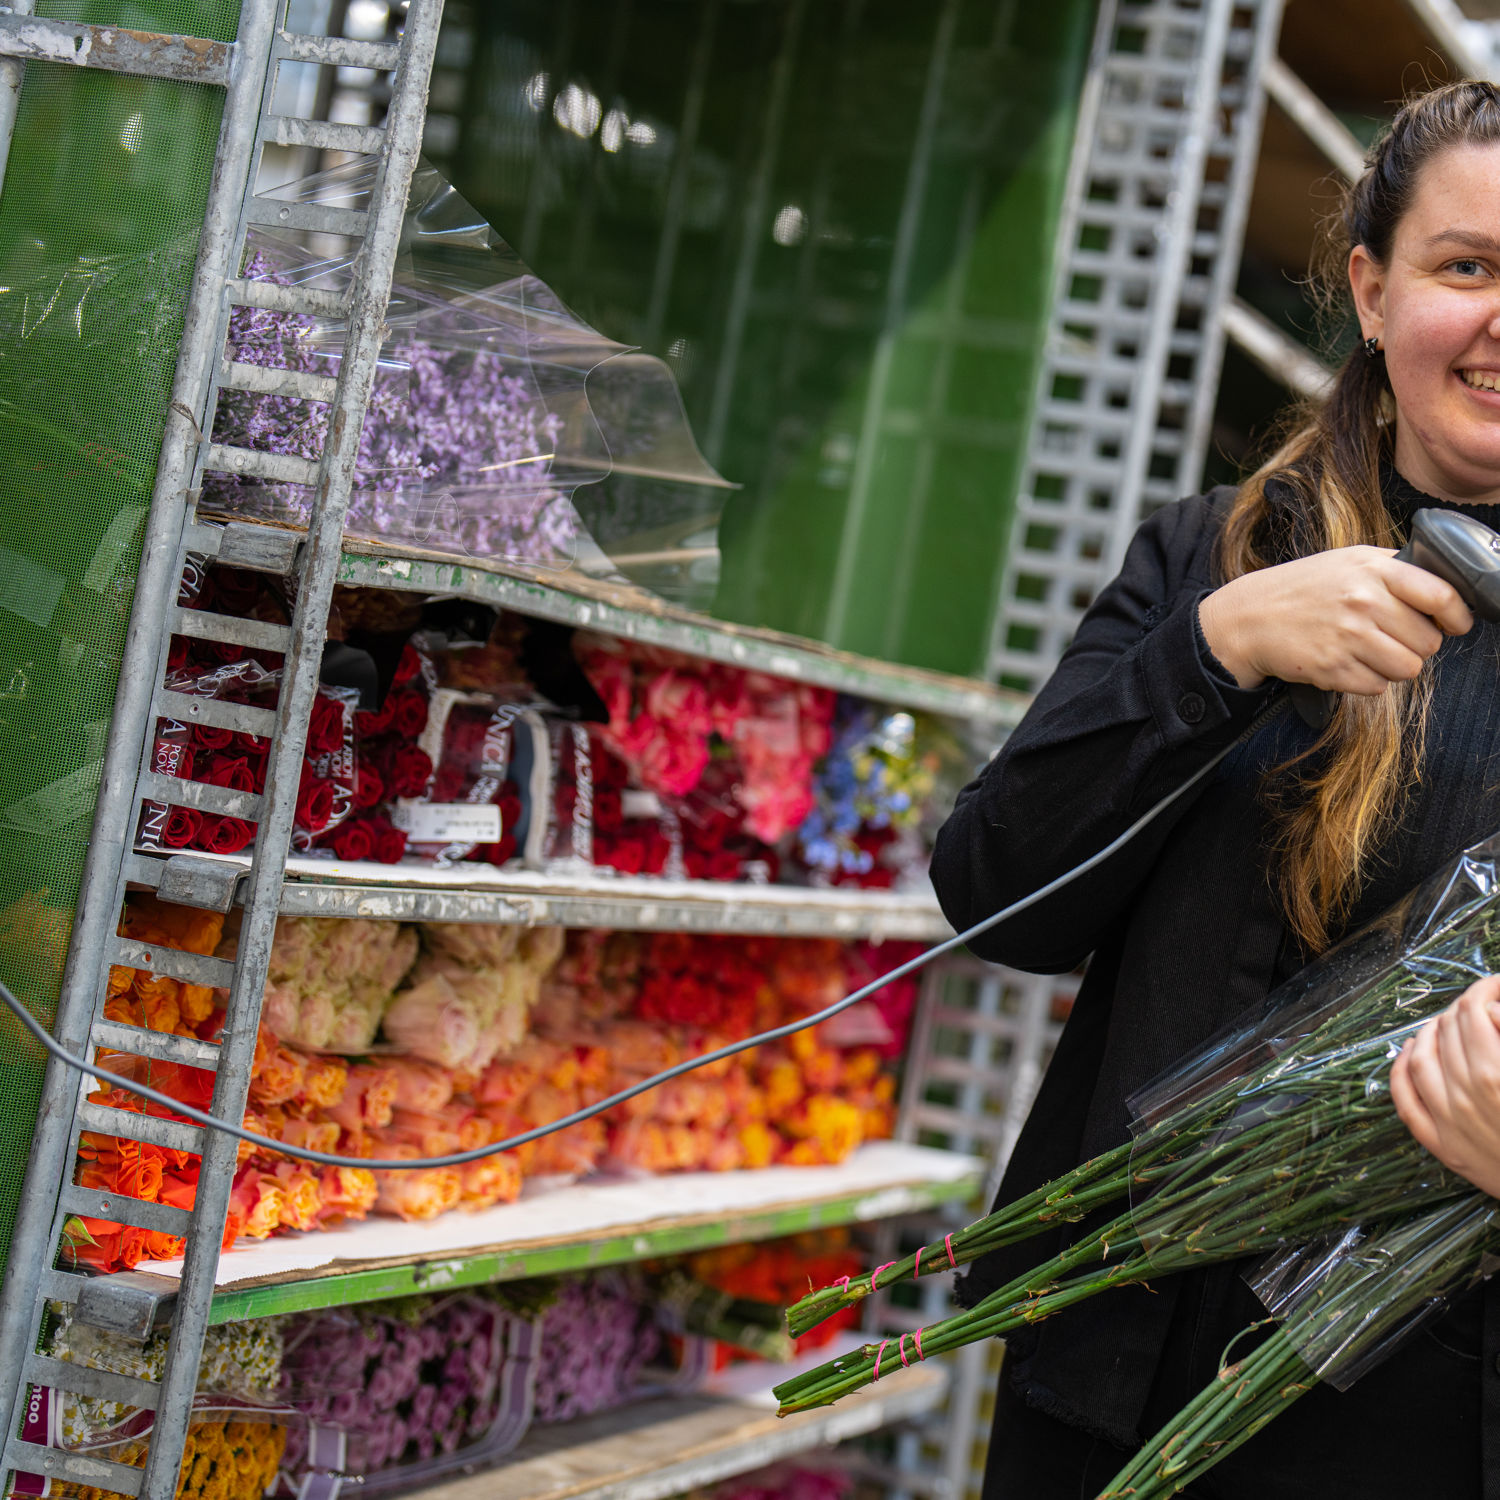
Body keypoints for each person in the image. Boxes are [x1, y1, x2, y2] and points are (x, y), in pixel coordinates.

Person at [930, 79, 1500, 1499]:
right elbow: (997, 897)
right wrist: (1214, 650)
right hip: (1118, 1377)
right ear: (1370, 291)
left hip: (1422, 1421)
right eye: (1467, 267)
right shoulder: (1213, 559)